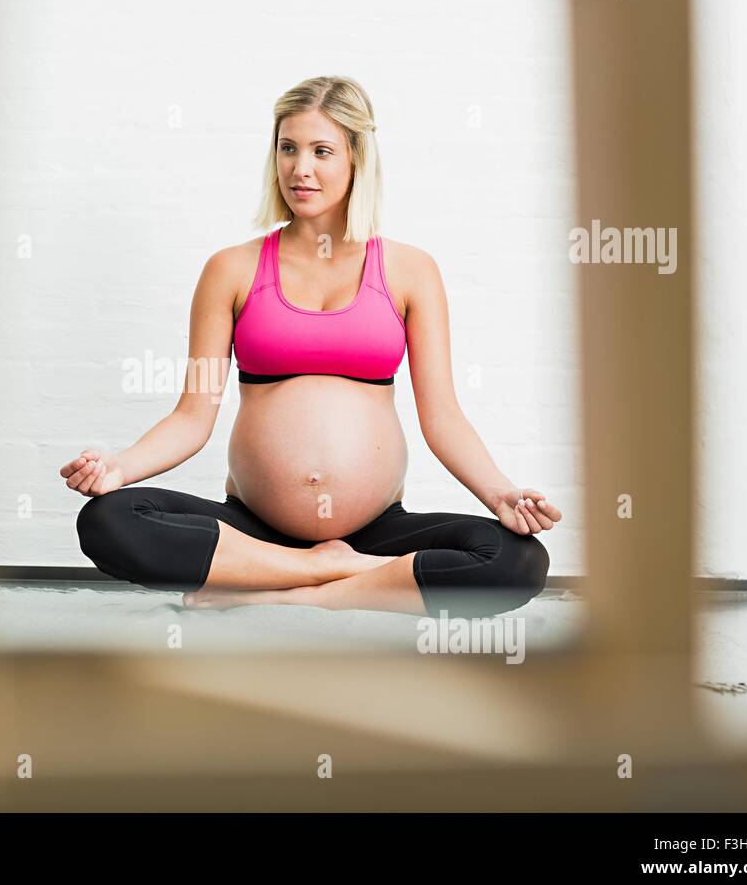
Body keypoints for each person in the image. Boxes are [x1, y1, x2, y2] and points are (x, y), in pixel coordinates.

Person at [64, 75, 561, 617]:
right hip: (252, 530)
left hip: (374, 531)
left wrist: (501, 495)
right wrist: (119, 468)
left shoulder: (410, 271)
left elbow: (442, 416)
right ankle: (330, 570)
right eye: (288, 148)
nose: (300, 169)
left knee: (517, 560)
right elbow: (192, 416)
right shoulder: (231, 269)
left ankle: (280, 593)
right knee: (108, 521)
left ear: (357, 158)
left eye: (322, 151)